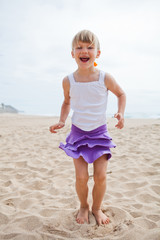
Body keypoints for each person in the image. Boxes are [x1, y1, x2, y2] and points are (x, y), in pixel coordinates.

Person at [49, 30, 126, 226]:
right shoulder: (68, 80)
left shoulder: (104, 78)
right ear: (73, 53)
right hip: (78, 134)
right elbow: (66, 102)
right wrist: (62, 120)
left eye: (90, 47)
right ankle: (83, 205)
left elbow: (121, 94)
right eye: (79, 47)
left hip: (99, 133)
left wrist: (120, 113)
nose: (85, 51)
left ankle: (97, 208)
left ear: (97, 53)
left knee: (100, 176)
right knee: (81, 177)